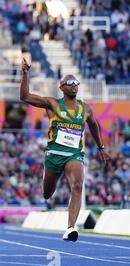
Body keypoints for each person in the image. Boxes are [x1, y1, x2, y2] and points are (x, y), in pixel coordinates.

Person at [20, 58, 110, 242]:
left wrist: (101, 147)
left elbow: (94, 126)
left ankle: (70, 228)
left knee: (77, 185)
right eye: (70, 83)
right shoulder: (53, 104)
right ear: (62, 87)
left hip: (74, 154)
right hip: (54, 154)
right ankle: (47, 181)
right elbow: (25, 96)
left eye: (76, 83)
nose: (74, 86)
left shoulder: (86, 108)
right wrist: (25, 73)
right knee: (47, 193)